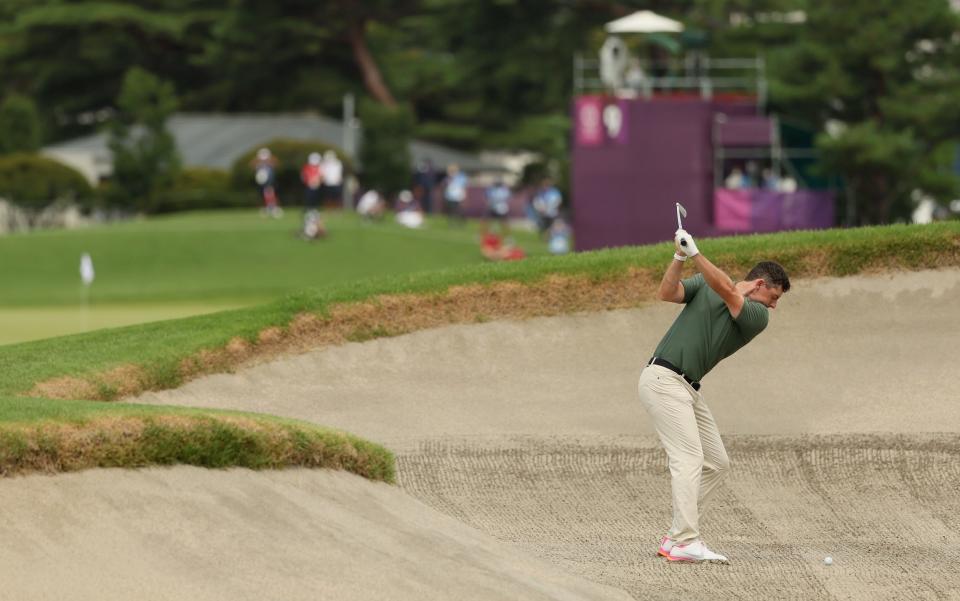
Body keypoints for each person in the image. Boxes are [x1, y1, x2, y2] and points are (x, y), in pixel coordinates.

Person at [639, 227, 790, 563]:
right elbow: (667, 292)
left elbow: (726, 289)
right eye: (774, 297)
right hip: (663, 378)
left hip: (687, 388)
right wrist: (679, 258)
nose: (775, 306)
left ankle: (677, 536)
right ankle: (685, 540)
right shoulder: (709, 285)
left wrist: (694, 252)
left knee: (717, 463)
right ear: (759, 285)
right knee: (689, 459)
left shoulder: (756, 316)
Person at [251, 147, 282, 218]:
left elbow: (276, 163)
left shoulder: (270, 162)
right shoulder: (258, 163)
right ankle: (269, 207)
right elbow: (252, 164)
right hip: (262, 183)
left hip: (270, 182)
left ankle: (273, 207)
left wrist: (268, 160)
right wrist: (259, 161)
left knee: (270, 194)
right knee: (266, 195)